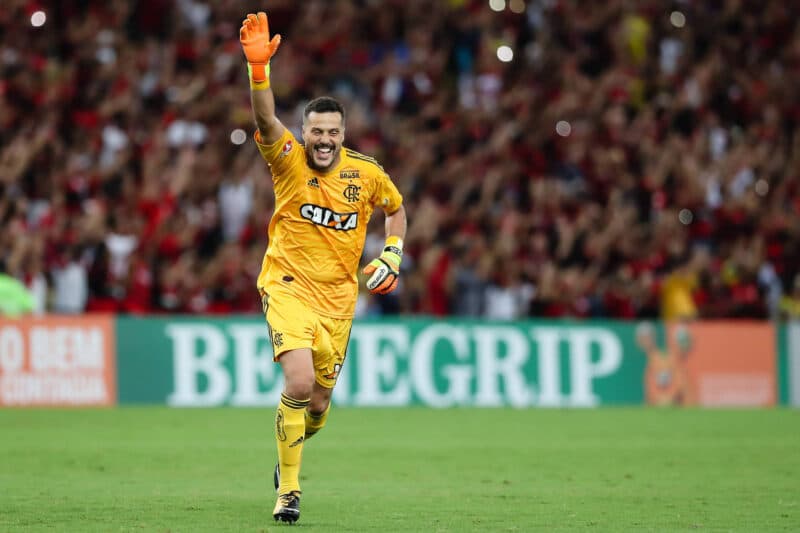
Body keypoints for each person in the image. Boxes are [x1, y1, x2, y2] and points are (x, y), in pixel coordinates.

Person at [239, 12, 408, 524]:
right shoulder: (287, 160)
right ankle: (288, 490)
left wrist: (393, 251)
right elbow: (267, 120)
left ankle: (288, 452)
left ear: (343, 132)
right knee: (297, 381)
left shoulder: (367, 174)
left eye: (333, 131)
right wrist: (258, 72)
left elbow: (396, 209)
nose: (324, 140)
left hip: (339, 299)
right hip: (287, 286)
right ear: (305, 132)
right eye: (316, 131)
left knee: (317, 406)